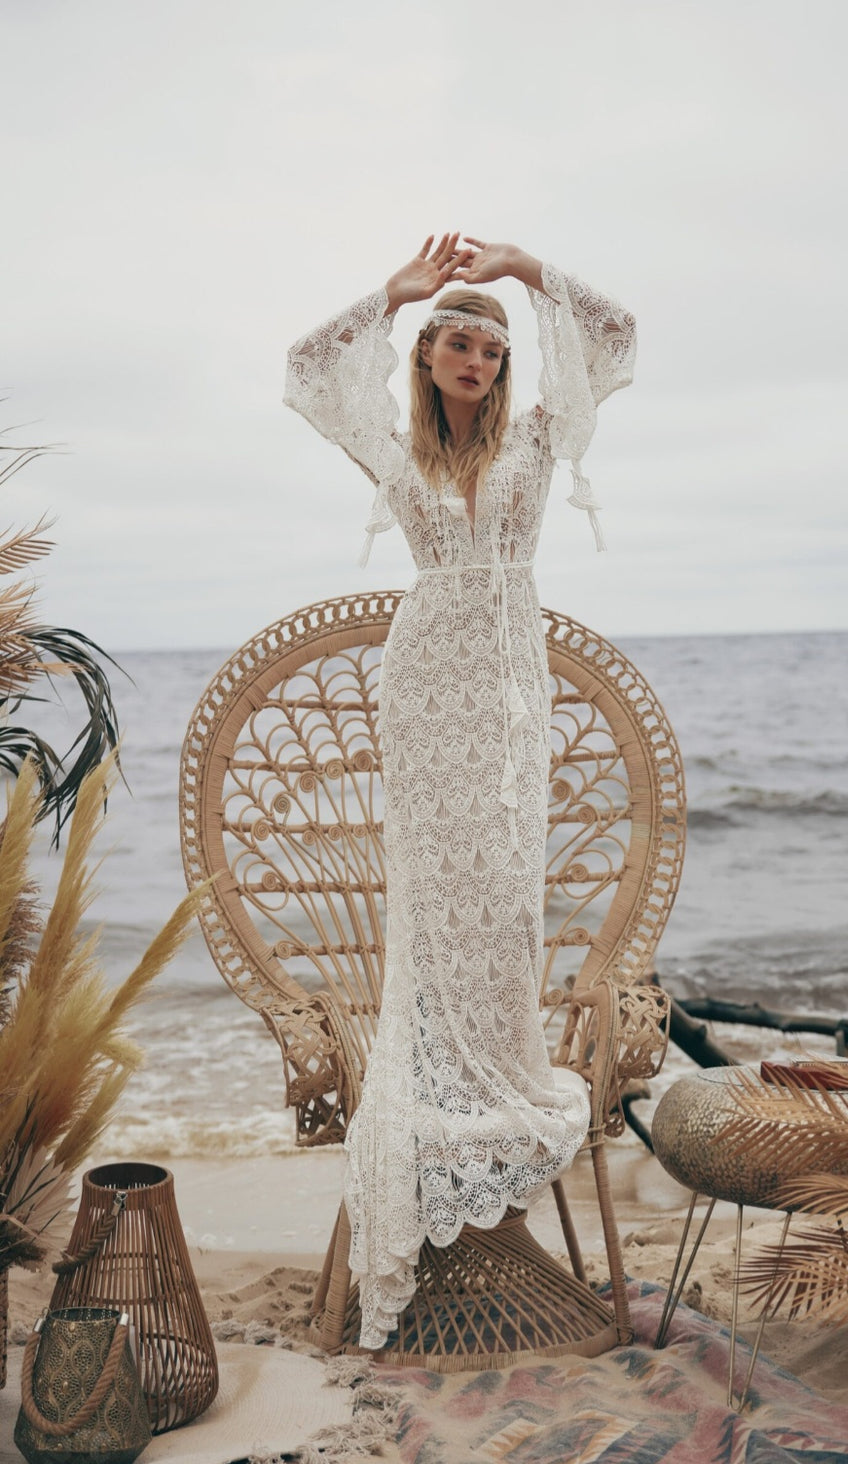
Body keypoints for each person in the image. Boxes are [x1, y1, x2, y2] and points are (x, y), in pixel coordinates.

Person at [284, 234, 636, 1348]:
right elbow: (305, 367)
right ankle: (436, 1072)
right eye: (455, 342)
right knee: (435, 889)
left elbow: (617, 334)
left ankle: (498, 1064)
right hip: (426, 672)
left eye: (489, 345)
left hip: (508, 683)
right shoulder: (394, 455)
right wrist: (389, 294)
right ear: (427, 358)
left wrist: (532, 273)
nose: (476, 358)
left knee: (501, 886)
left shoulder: (541, 435)